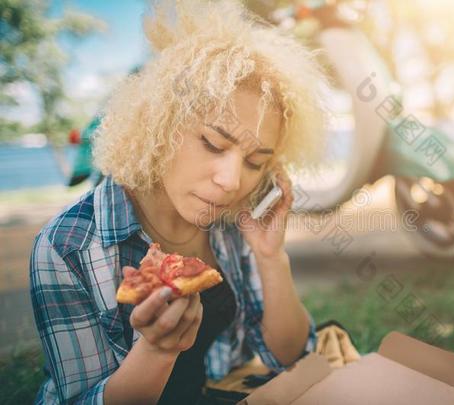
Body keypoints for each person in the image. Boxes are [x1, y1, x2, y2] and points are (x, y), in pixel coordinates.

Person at [29, 0, 329, 403]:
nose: (231, 182)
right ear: (160, 125)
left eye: (256, 162)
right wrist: (156, 350)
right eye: (212, 143)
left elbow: (290, 355)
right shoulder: (66, 247)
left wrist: (272, 258)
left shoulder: (235, 222)